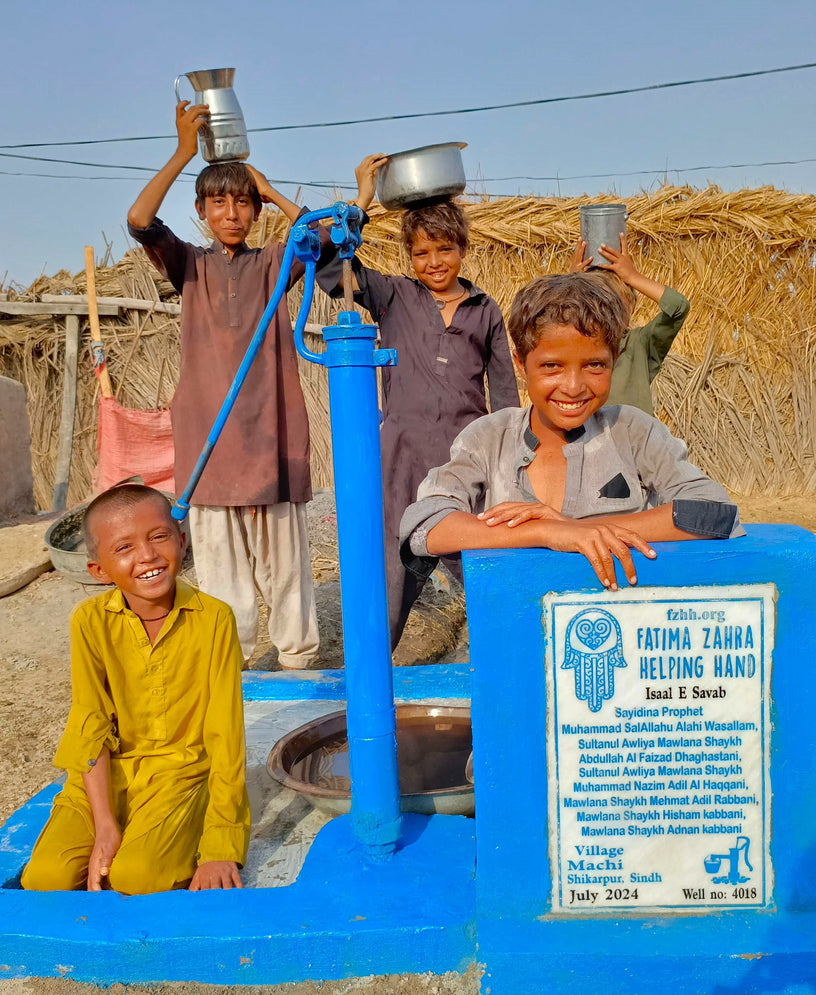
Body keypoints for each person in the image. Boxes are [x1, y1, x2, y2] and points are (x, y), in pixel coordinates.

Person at [127, 99, 327, 668]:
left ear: (257, 210)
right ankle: (230, 682)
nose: (233, 212)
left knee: (289, 582)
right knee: (224, 591)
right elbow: (139, 221)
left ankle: (299, 672)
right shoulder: (188, 265)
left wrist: (270, 187)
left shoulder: (275, 263)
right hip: (209, 451)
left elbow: (331, 237)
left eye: (243, 202)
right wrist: (183, 152)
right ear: (202, 211)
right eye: (219, 202)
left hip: (273, 444)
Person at [400, 274, 741, 592]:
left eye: (595, 365)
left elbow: (714, 511)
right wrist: (548, 531)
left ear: (615, 359)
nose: (574, 387)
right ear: (521, 364)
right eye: (551, 366)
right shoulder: (489, 437)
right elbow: (426, 526)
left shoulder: (633, 432)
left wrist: (578, 530)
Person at [318, 154, 519, 648]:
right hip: (402, 455)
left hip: (464, 457)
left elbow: (507, 393)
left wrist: (513, 460)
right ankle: (376, 677)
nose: (434, 262)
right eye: (422, 252)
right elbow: (326, 265)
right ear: (410, 256)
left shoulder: (485, 309)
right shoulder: (393, 296)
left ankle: (501, 656)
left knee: (477, 560)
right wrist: (362, 197)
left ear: (463, 249)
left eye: (445, 249)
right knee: (393, 567)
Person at [21, 484, 250, 894]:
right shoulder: (89, 622)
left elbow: (225, 735)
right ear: (99, 570)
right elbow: (90, 726)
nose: (146, 556)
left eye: (159, 537)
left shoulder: (214, 619)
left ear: (181, 542)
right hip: (105, 778)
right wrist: (105, 826)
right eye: (124, 547)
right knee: (45, 878)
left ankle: (188, 829)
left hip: (180, 776)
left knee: (136, 876)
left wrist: (220, 845)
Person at [571, 233, 690, 414]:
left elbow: (678, 307)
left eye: (617, 304)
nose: (608, 312)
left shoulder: (641, 344)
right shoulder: (575, 344)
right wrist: (569, 284)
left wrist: (633, 277)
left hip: (636, 442)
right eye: (597, 303)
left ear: (631, 308)